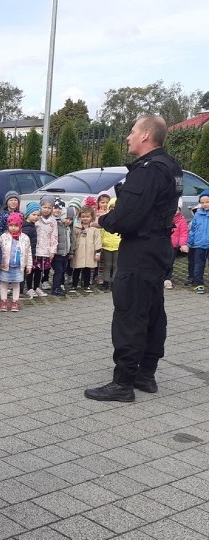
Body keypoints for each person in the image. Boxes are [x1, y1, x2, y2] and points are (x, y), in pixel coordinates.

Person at [85, 115, 183, 402]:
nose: (128, 137)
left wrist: (104, 220)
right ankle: (145, 374)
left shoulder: (148, 170)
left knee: (130, 313)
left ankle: (123, 382)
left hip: (140, 250)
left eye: (132, 131)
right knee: (153, 312)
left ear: (145, 136)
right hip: (158, 247)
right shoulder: (171, 165)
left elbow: (128, 217)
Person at [0, 212, 32, 312]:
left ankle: (15, 301)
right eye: (11, 225)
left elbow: (28, 252)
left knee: (16, 284)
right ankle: (3, 301)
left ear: (20, 225)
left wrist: (29, 265)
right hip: (5, 265)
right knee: (3, 283)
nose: (13, 228)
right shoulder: (3, 237)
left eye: (16, 225)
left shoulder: (25, 238)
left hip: (18, 266)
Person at [71, 206, 102, 292]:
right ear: (80, 216)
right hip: (78, 252)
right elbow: (73, 240)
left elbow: (97, 241)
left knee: (87, 270)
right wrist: (72, 252)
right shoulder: (76, 228)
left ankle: (86, 285)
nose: (85, 218)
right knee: (77, 269)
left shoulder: (94, 229)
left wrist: (97, 253)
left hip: (90, 252)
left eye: (87, 217)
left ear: (92, 217)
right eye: (83, 216)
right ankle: (74, 285)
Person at [187, 189, 209, 293]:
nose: (205, 204)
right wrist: (190, 242)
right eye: (202, 202)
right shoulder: (198, 215)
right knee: (198, 265)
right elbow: (193, 230)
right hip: (199, 245)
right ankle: (198, 284)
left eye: (207, 202)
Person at [165, 197, 189, 289]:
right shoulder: (164, 219)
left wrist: (182, 244)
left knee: (170, 262)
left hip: (173, 245)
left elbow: (184, 233)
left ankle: (167, 279)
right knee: (160, 261)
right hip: (162, 244)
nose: (174, 211)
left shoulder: (182, 220)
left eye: (177, 209)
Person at [36, 195, 58, 294]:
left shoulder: (53, 222)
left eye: (49, 208)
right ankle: (34, 286)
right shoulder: (36, 219)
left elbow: (54, 236)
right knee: (36, 268)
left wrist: (53, 250)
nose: (46, 210)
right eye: (44, 207)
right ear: (40, 207)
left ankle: (44, 280)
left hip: (47, 248)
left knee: (46, 267)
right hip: (37, 248)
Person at [50, 205, 74, 296]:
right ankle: (55, 288)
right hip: (57, 254)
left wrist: (71, 252)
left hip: (65, 254)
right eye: (66, 218)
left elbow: (71, 241)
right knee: (58, 271)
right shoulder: (57, 226)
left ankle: (59, 286)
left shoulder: (68, 228)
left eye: (71, 219)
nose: (68, 221)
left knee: (63, 271)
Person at [99, 199, 121, 291]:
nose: (113, 209)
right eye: (111, 207)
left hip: (117, 246)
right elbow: (102, 233)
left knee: (116, 265)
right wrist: (101, 243)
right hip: (106, 246)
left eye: (115, 207)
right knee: (107, 265)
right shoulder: (106, 219)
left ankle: (114, 282)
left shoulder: (121, 219)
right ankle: (106, 281)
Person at [22, 203, 41, 299]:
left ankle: (29, 288)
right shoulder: (26, 227)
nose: (36, 217)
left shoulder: (32, 225)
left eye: (38, 215)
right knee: (24, 272)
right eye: (34, 215)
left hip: (32, 253)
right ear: (28, 214)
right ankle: (22, 290)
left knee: (30, 270)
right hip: (26, 253)